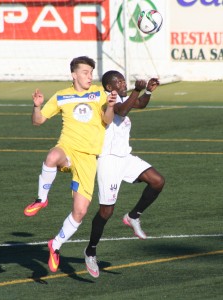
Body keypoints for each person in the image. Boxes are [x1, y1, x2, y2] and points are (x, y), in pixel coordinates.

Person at [23, 56, 117, 273]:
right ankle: (41, 199)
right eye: (85, 72)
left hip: (87, 158)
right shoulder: (62, 96)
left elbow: (108, 120)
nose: (89, 76)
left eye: (91, 72)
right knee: (51, 157)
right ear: (74, 74)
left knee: (80, 212)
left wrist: (110, 106)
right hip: (68, 148)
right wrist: (36, 106)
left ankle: (55, 245)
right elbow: (38, 121)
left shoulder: (99, 93)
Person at [84, 70, 165, 278]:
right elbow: (121, 111)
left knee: (157, 181)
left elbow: (139, 104)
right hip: (108, 160)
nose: (122, 83)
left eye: (123, 80)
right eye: (118, 82)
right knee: (106, 212)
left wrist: (147, 91)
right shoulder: (107, 99)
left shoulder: (123, 97)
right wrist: (137, 90)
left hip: (125, 157)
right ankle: (90, 251)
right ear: (109, 87)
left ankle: (133, 216)